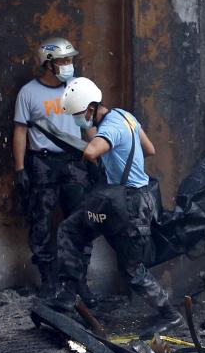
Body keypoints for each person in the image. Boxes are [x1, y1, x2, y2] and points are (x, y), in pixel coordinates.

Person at [49, 77, 181, 326]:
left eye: (78, 114)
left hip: (130, 206)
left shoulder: (110, 128)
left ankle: (170, 314)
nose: (77, 120)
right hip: (121, 200)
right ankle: (68, 295)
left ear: (90, 108)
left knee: (131, 269)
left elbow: (91, 152)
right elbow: (149, 148)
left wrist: (84, 138)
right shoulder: (125, 116)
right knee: (72, 229)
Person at [12, 37, 90, 297]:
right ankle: (48, 281)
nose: (69, 65)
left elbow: (89, 126)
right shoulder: (28, 93)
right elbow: (20, 131)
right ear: (48, 64)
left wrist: (97, 157)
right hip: (42, 163)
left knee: (81, 221)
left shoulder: (78, 88)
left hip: (74, 162)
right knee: (41, 223)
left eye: (70, 59)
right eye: (63, 61)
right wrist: (20, 168)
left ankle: (80, 282)